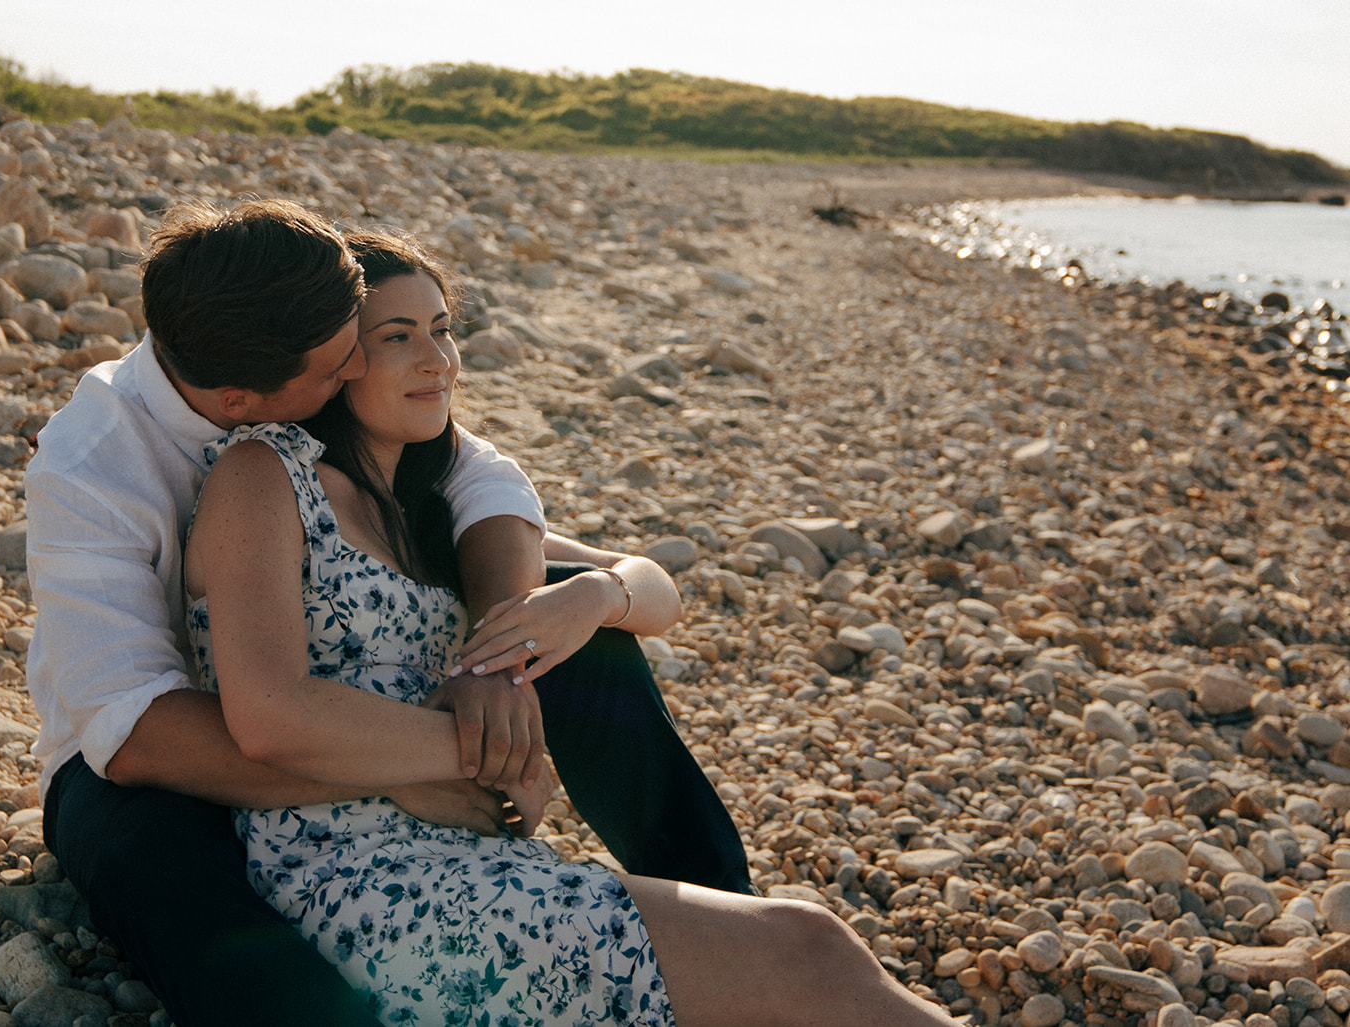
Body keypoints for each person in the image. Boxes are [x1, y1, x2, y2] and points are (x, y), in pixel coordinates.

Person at [181, 228, 957, 1027]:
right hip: (356, 878)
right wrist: (495, 753)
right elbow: (270, 713)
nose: (437, 360)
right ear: (341, 358)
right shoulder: (266, 474)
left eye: (444, 329)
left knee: (799, 955)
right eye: (396, 337)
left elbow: (656, 589)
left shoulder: (429, 509)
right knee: (807, 947)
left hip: (466, 854)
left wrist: (590, 597)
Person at [24, 198, 751, 1027]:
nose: (361, 371)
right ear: (244, 403)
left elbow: (493, 500)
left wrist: (524, 641)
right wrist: (445, 761)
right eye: (345, 362)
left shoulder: (323, 388)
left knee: (585, 647)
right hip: (158, 753)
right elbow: (134, 730)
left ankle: (727, 922)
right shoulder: (94, 466)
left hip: (329, 711)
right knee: (190, 895)